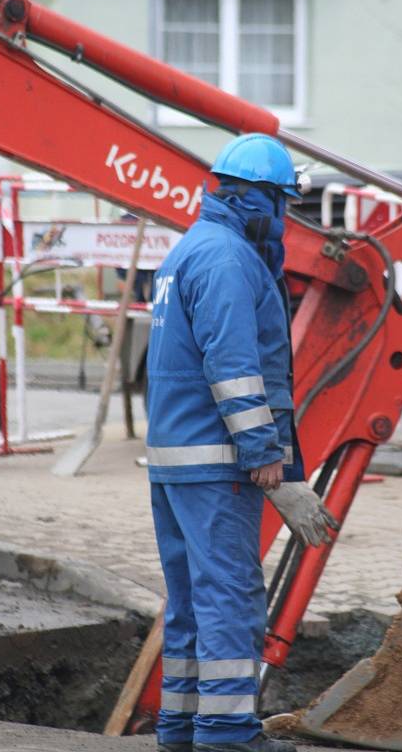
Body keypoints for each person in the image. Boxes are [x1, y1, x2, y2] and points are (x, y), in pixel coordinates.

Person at [146, 133, 337, 752]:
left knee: (190, 603)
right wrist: (267, 460)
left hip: (176, 462)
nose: (285, 221)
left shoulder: (187, 251)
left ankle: (179, 728)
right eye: (283, 204)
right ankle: (227, 732)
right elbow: (234, 369)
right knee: (229, 595)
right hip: (217, 465)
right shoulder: (229, 259)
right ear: (262, 203)